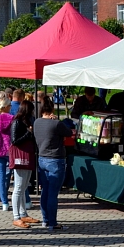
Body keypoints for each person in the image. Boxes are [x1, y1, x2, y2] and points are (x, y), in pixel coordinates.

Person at [33, 96, 73, 231]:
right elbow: (68, 132)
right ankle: (52, 222)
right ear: (51, 109)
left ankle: (45, 220)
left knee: (45, 191)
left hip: (42, 158)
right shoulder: (55, 123)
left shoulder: (37, 122)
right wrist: (57, 120)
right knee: (52, 193)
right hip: (55, 159)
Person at [9, 100, 40, 229]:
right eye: (32, 110)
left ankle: (23, 213)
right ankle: (16, 216)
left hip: (27, 156)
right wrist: (28, 133)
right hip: (20, 157)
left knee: (24, 186)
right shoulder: (17, 122)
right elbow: (14, 140)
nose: (33, 112)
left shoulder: (28, 121)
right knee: (18, 187)